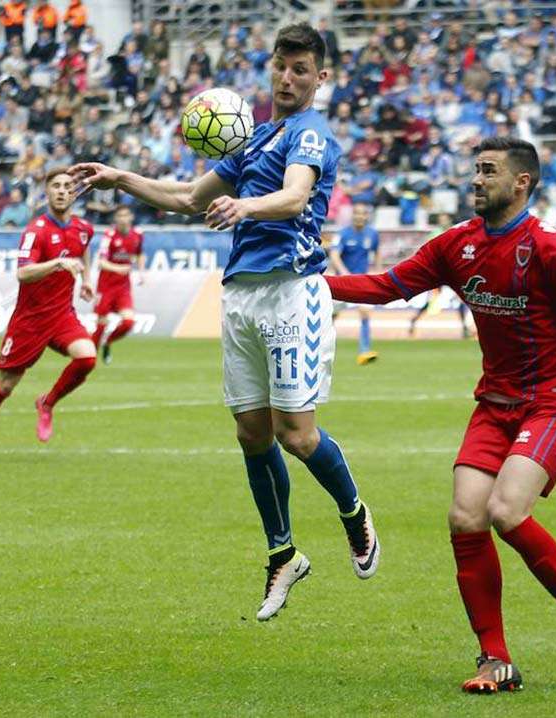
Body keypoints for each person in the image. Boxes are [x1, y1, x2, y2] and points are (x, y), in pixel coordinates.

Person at [70, 23, 379, 620]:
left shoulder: (312, 134)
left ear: (320, 77)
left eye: (299, 69)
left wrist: (245, 205)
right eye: (279, 67)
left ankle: (353, 512)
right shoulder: (256, 138)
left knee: (297, 433)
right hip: (240, 296)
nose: (287, 78)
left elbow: (293, 198)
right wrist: (121, 178)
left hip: (291, 291)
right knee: (251, 434)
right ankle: (283, 555)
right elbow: (188, 197)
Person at [324, 137, 556, 694]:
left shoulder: (550, 247)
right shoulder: (456, 245)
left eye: (488, 172)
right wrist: (314, 286)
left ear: (522, 183)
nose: (475, 180)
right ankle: (495, 660)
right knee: (466, 517)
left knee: (506, 510)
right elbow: (388, 287)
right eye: (475, 170)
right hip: (496, 402)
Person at [0, 167, 97, 464]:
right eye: (56, 186)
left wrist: (86, 280)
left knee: (87, 357)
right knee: (6, 385)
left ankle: (47, 402)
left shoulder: (84, 228)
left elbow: (82, 251)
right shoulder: (35, 231)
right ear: (46, 193)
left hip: (62, 315)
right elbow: (23, 273)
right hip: (30, 320)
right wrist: (58, 265)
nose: (62, 190)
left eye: (67, 186)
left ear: (74, 193)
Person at [91, 205, 144, 364]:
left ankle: (108, 342)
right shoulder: (109, 236)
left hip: (123, 288)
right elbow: (101, 262)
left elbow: (139, 254)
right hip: (105, 286)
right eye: (119, 216)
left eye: (125, 215)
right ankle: (89, 359)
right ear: (116, 219)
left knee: (128, 322)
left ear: (131, 217)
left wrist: (141, 272)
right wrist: (119, 268)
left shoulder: (137, 235)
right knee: (100, 325)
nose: (123, 219)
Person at [328, 202, 380, 364]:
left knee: (365, 312)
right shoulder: (342, 234)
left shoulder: (372, 234)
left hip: (361, 281)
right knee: (330, 316)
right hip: (341, 282)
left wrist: (377, 272)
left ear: (367, 216)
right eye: (356, 213)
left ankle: (364, 351)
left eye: (363, 213)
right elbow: (334, 255)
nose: (359, 216)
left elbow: (377, 252)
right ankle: (321, 346)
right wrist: (344, 273)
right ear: (352, 216)